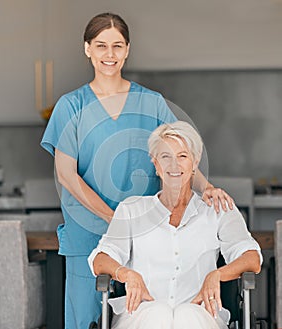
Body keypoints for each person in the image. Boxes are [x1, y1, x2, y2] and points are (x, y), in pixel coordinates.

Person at [41, 13, 234, 329]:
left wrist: (206, 187)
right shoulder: (71, 106)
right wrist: (112, 218)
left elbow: (178, 156)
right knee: (85, 320)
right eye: (101, 46)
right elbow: (66, 174)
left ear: (127, 50)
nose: (110, 54)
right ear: (87, 49)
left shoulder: (152, 103)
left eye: (117, 46)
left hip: (148, 235)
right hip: (87, 232)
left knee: (147, 316)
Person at [89, 121, 262, 329]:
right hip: (141, 315)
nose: (174, 165)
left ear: (194, 162)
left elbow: (251, 258)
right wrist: (127, 274)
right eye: (165, 157)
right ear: (155, 163)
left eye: (182, 156)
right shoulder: (131, 209)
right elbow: (100, 260)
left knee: (187, 315)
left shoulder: (218, 209)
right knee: (157, 313)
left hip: (200, 314)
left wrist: (217, 274)